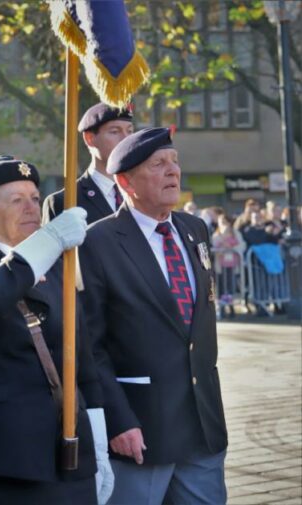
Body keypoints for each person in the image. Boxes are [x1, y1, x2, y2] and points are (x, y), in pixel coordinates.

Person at [0, 157, 113, 504]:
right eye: (17, 200)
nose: (31, 208)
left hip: (68, 452)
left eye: (35, 198)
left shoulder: (58, 269)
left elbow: (82, 362)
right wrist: (47, 243)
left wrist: (99, 442)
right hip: (4, 458)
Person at [79, 127, 228, 504]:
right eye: (158, 164)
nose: (172, 171)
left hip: (202, 422)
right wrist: (118, 418)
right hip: (141, 428)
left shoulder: (194, 229)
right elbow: (89, 346)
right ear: (125, 182)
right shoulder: (98, 242)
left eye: (175, 162)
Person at [43, 103, 134, 224]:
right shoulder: (67, 200)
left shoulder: (145, 193)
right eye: (114, 131)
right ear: (89, 139)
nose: (126, 139)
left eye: (130, 131)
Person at [211, 215, 245, 319]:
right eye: (221, 221)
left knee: (230, 286)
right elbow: (214, 247)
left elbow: (242, 245)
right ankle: (221, 308)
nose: (223, 224)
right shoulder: (216, 235)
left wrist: (232, 247)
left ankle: (231, 307)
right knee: (221, 287)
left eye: (225, 221)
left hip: (232, 265)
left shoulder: (236, 233)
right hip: (220, 266)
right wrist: (221, 246)